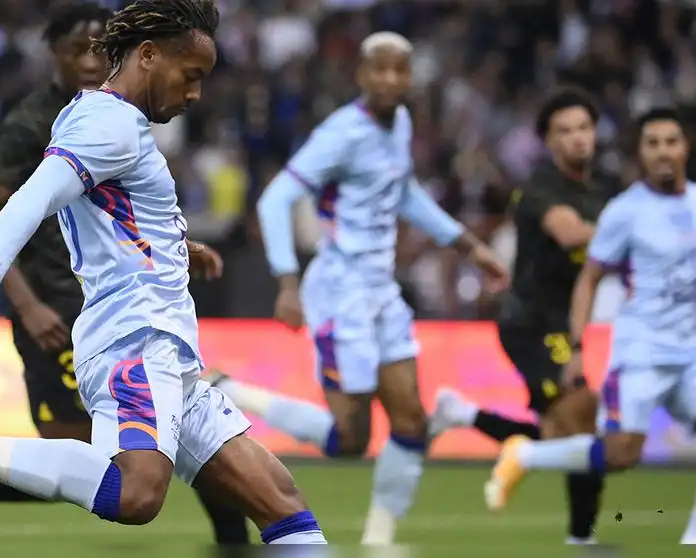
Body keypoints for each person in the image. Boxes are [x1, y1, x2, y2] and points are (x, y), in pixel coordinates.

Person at [0, 0, 327, 545]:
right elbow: (33, 194)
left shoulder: (113, 123)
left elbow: (111, 213)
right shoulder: (109, 123)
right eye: (189, 74)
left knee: (284, 508)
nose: (195, 93)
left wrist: (176, 245)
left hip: (169, 352)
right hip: (133, 339)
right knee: (136, 495)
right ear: (148, 55)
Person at [205, 31, 510, 545]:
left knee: (411, 420)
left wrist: (468, 246)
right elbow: (276, 198)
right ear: (362, 75)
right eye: (380, 70)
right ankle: (231, 391)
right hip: (340, 292)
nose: (390, 79)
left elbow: (404, 192)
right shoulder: (342, 133)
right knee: (349, 438)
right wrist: (287, 281)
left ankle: (379, 540)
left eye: (400, 70)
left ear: (409, 77)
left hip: (381, 290)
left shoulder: (401, 123)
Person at [485, 106, 696, 545]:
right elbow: (590, 278)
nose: (663, 152)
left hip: (690, 351)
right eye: (652, 143)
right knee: (620, 453)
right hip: (642, 352)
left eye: (671, 142)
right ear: (640, 152)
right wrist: (579, 346)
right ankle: (527, 455)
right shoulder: (623, 211)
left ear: (685, 147)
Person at [430, 87, 622, 544]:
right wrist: (631, 224)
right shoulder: (539, 189)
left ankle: (465, 414)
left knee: (563, 431)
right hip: (529, 322)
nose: (577, 138)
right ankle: (582, 537)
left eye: (583, 128)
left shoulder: (604, 188)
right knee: (580, 415)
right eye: (564, 131)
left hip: (565, 322)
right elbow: (571, 233)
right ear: (549, 141)